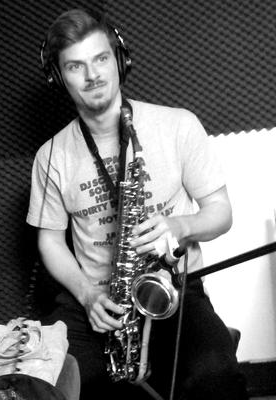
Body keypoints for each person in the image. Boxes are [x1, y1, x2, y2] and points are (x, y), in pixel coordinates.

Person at [27, 8, 248, 400]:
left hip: (170, 288)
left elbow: (221, 212)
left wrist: (181, 226)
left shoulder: (177, 125)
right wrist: (87, 295)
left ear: (119, 61)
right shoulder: (52, 156)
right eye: (76, 66)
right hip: (98, 300)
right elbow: (50, 241)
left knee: (216, 374)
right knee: (50, 385)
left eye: (100, 59)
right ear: (58, 77)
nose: (92, 75)